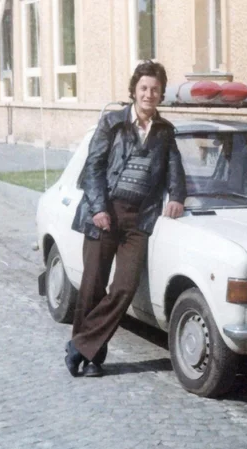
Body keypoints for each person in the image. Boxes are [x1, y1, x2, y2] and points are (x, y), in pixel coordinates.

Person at [65, 61, 187, 378]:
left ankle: (79, 345)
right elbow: (92, 169)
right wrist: (99, 209)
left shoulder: (165, 132)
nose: (149, 94)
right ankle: (93, 358)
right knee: (92, 286)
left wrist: (176, 197)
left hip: (139, 220)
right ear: (134, 90)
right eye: (144, 88)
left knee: (124, 287)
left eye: (155, 89)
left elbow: (176, 172)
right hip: (104, 214)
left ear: (161, 94)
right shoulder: (112, 123)